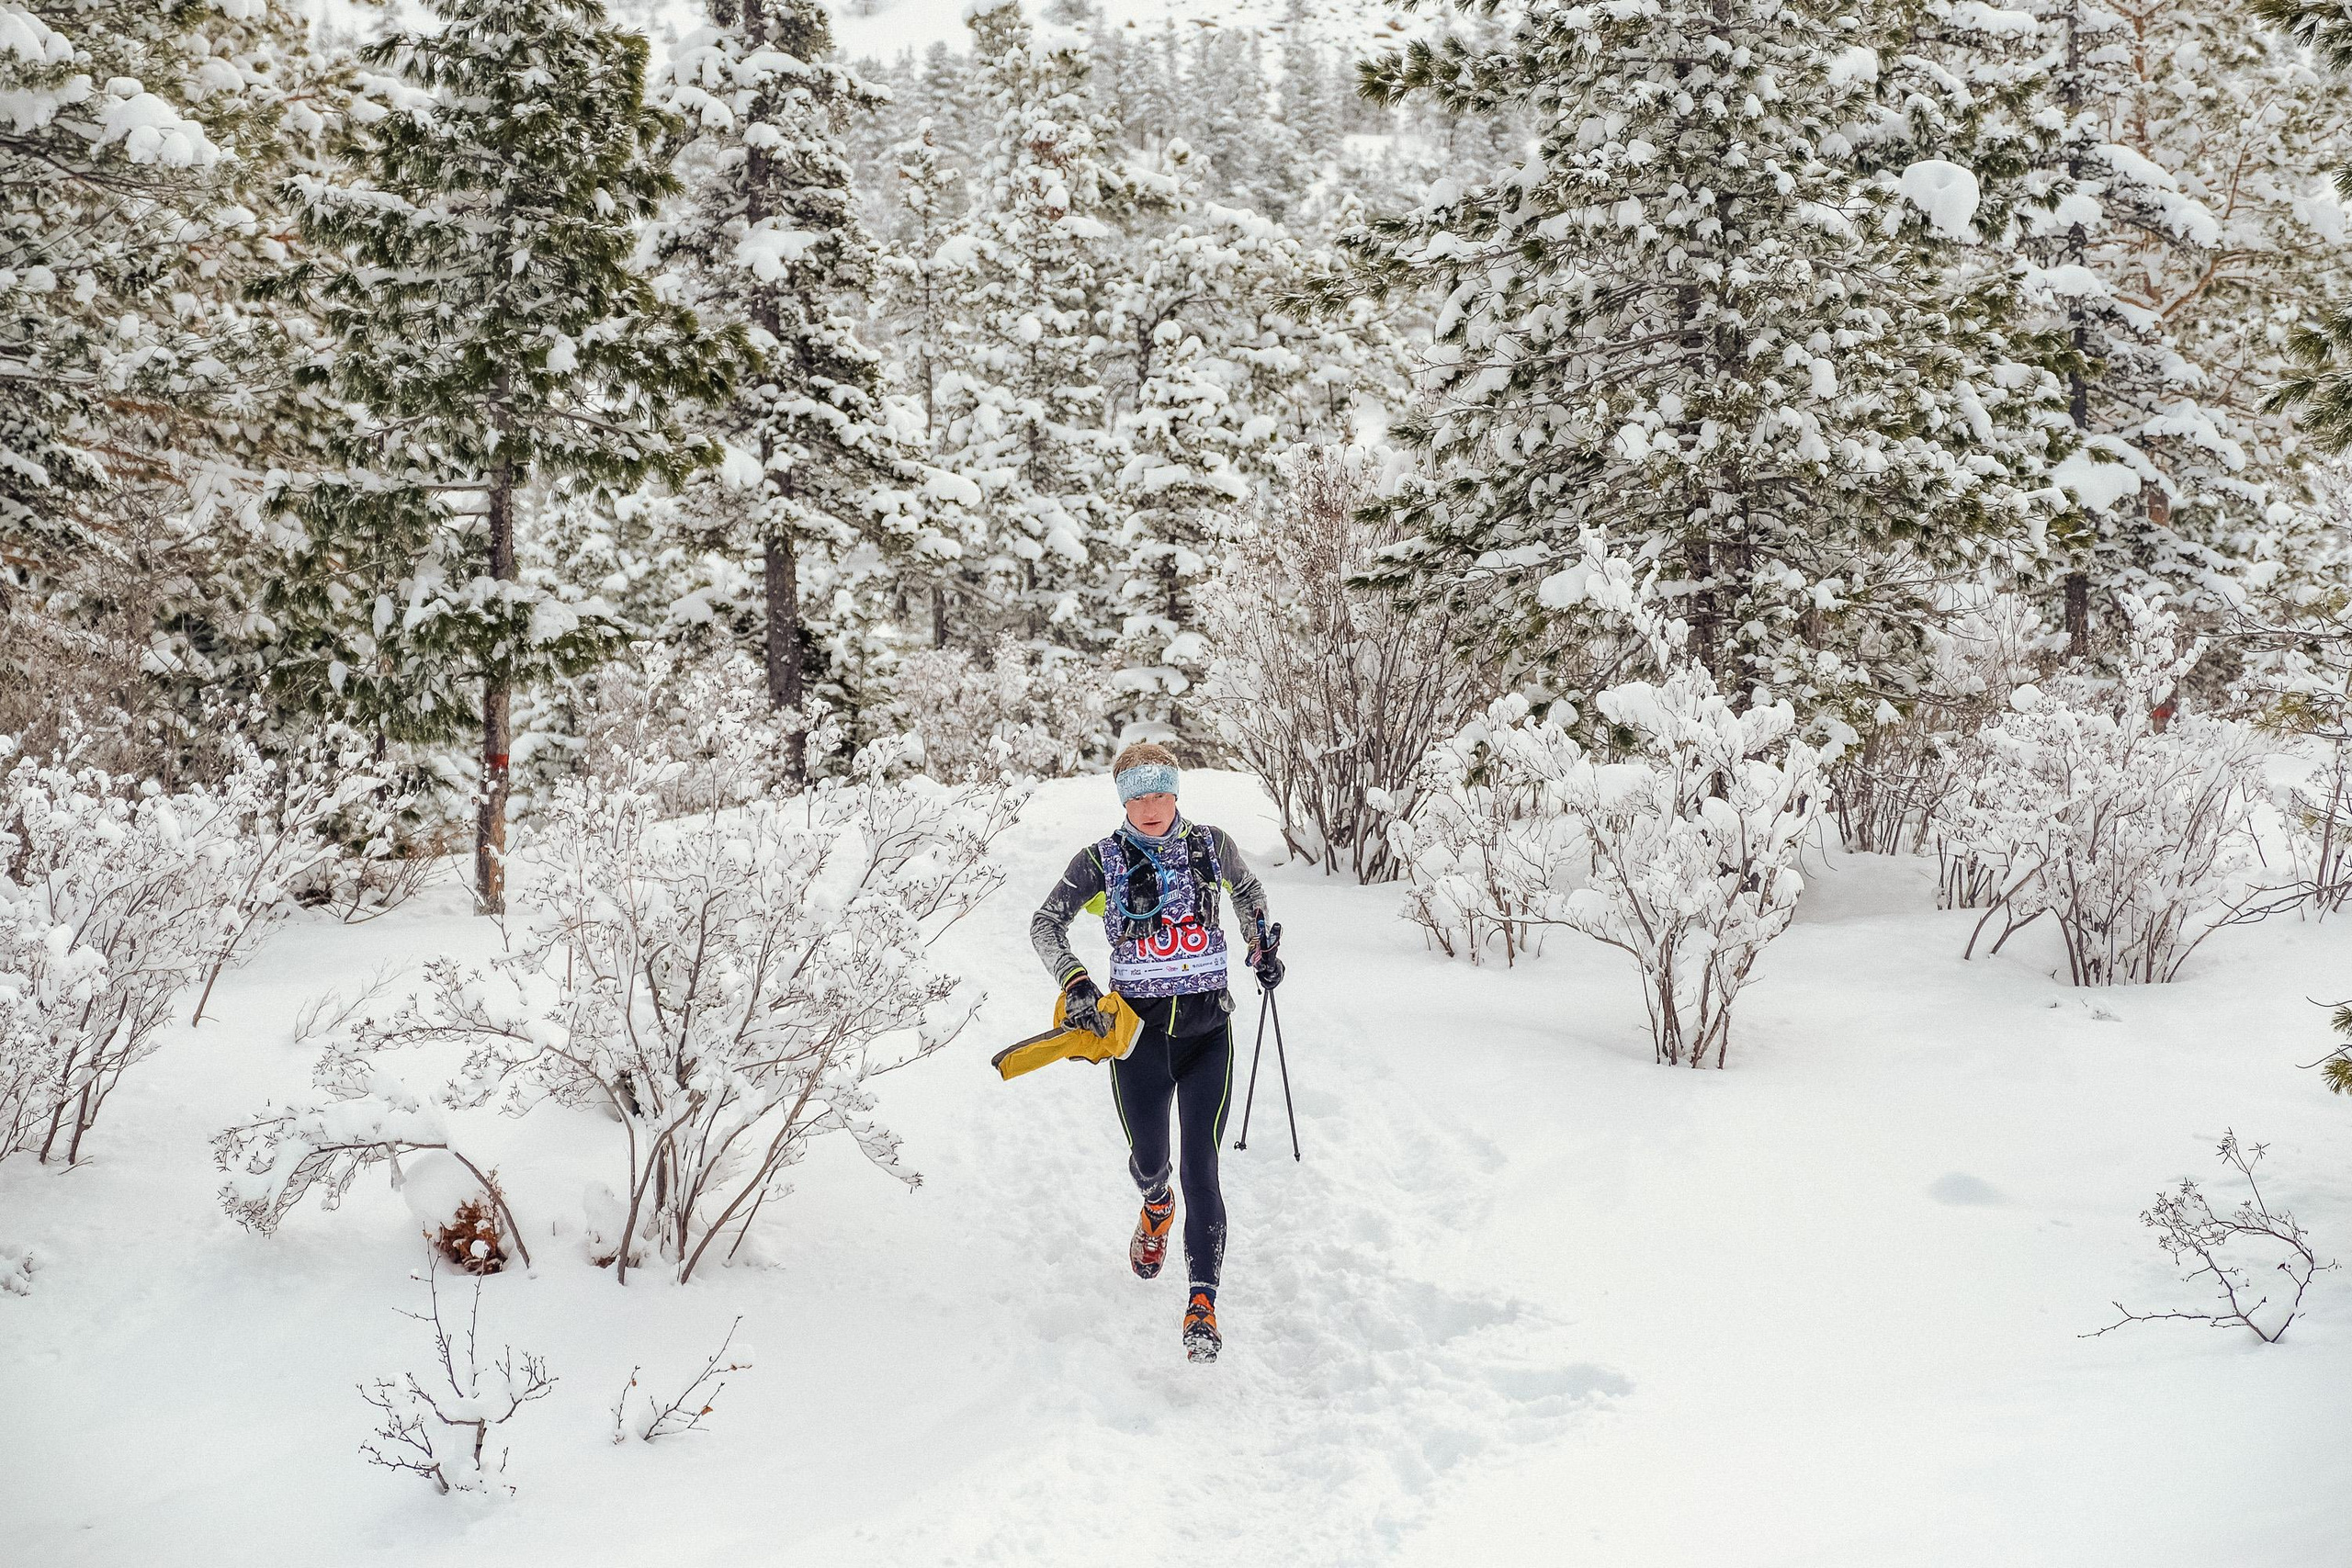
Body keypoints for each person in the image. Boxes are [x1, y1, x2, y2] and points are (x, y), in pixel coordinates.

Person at [1029, 740, 1284, 1363]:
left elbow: (1248, 891)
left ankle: (1202, 1304)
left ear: (1177, 791)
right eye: (1136, 794)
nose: (1150, 806)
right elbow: (1045, 923)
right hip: (1137, 1038)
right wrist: (1076, 980)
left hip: (1207, 1034)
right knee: (1152, 1160)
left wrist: (1259, 945)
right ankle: (1154, 1203)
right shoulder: (1100, 859)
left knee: (1203, 1167)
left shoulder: (1211, 844)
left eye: (1159, 791)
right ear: (1122, 799)